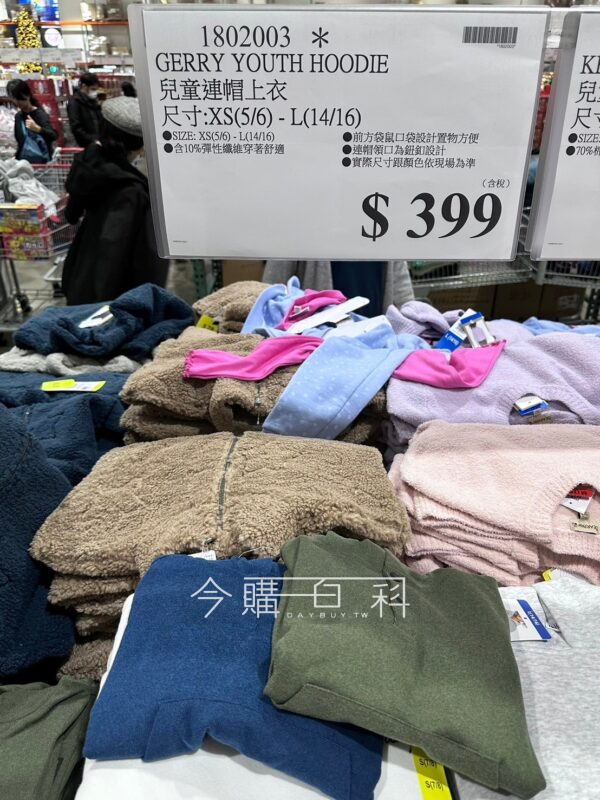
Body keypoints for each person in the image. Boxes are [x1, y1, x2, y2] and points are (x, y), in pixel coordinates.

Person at [61, 96, 167, 305]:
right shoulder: (130, 192)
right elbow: (113, 251)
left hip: (80, 270)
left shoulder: (88, 162)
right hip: (108, 295)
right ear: (136, 146)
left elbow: (71, 214)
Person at [7, 79, 57, 163]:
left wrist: (38, 129)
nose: (16, 102)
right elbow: (20, 142)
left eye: (19, 98)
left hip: (42, 164)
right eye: (14, 98)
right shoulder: (18, 117)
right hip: (24, 163)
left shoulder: (39, 114)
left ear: (28, 95)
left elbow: (53, 135)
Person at [67, 72, 103, 148]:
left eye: (96, 89)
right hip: (85, 145)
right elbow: (76, 127)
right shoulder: (75, 103)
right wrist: (92, 140)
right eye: (93, 89)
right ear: (84, 86)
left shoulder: (93, 101)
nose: (95, 92)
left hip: (98, 142)